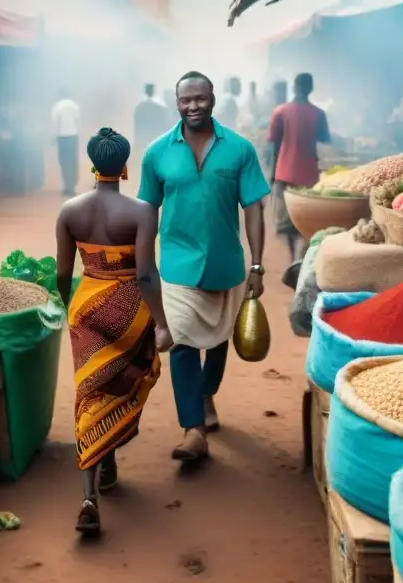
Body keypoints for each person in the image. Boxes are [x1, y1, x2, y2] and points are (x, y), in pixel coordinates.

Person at [138, 71, 270, 461]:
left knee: (217, 341)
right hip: (177, 266)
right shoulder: (157, 152)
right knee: (181, 341)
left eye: (200, 98)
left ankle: (207, 393)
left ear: (213, 99)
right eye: (185, 100)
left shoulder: (240, 149)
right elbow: (147, 209)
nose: (193, 105)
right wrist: (142, 263)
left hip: (226, 264)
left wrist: (257, 266)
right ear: (175, 103)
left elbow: (254, 209)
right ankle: (192, 428)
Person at [56, 128, 171, 536]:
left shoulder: (70, 211)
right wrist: (160, 323)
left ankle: (90, 493)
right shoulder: (141, 212)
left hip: (86, 307)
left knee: (90, 391)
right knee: (125, 381)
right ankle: (109, 459)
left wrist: (72, 307)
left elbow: (60, 274)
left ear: (91, 164)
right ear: (124, 167)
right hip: (129, 312)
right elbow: (144, 274)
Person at [268, 72, 331, 263]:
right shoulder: (318, 114)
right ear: (311, 89)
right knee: (306, 220)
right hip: (309, 174)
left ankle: (291, 257)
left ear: (294, 87)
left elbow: (274, 145)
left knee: (285, 221)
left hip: (285, 172)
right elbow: (324, 138)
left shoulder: (280, 112)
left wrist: (273, 172)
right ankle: (301, 260)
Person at [51, 89, 81, 195]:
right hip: (73, 136)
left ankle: (66, 187)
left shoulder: (57, 106)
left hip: (62, 137)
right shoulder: (75, 106)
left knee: (63, 162)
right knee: (73, 162)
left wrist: (53, 138)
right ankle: (72, 186)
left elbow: (55, 124)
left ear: (60, 95)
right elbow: (78, 121)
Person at [133, 83, 170, 153]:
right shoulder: (161, 109)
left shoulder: (140, 108)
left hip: (144, 141)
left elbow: (137, 128)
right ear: (154, 92)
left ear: (145, 92)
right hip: (156, 141)